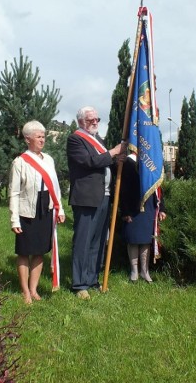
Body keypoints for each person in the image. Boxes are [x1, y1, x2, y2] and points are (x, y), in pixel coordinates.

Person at [67, 106, 125, 300]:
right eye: (90, 119)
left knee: (98, 242)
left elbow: (104, 161)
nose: (95, 122)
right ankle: (79, 283)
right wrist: (113, 152)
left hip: (104, 196)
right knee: (83, 241)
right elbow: (89, 162)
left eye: (97, 119)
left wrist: (117, 159)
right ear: (81, 121)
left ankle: (92, 278)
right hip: (86, 198)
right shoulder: (75, 139)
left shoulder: (98, 140)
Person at [9, 120, 65, 304]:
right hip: (27, 211)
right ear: (27, 139)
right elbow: (14, 192)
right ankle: (25, 291)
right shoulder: (19, 162)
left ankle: (34, 289)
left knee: (40, 251)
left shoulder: (48, 159)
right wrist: (14, 220)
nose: (42, 140)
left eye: (43, 136)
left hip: (46, 208)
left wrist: (60, 209)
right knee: (25, 252)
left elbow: (55, 187)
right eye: (38, 137)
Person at [120, 152, 167, 282]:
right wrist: (125, 211)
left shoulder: (152, 161)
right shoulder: (129, 161)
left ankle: (144, 271)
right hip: (132, 206)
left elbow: (158, 186)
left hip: (149, 205)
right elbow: (123, 188)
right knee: (133, 239)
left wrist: (161, 208)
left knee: (146, 240)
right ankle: (134, 271)